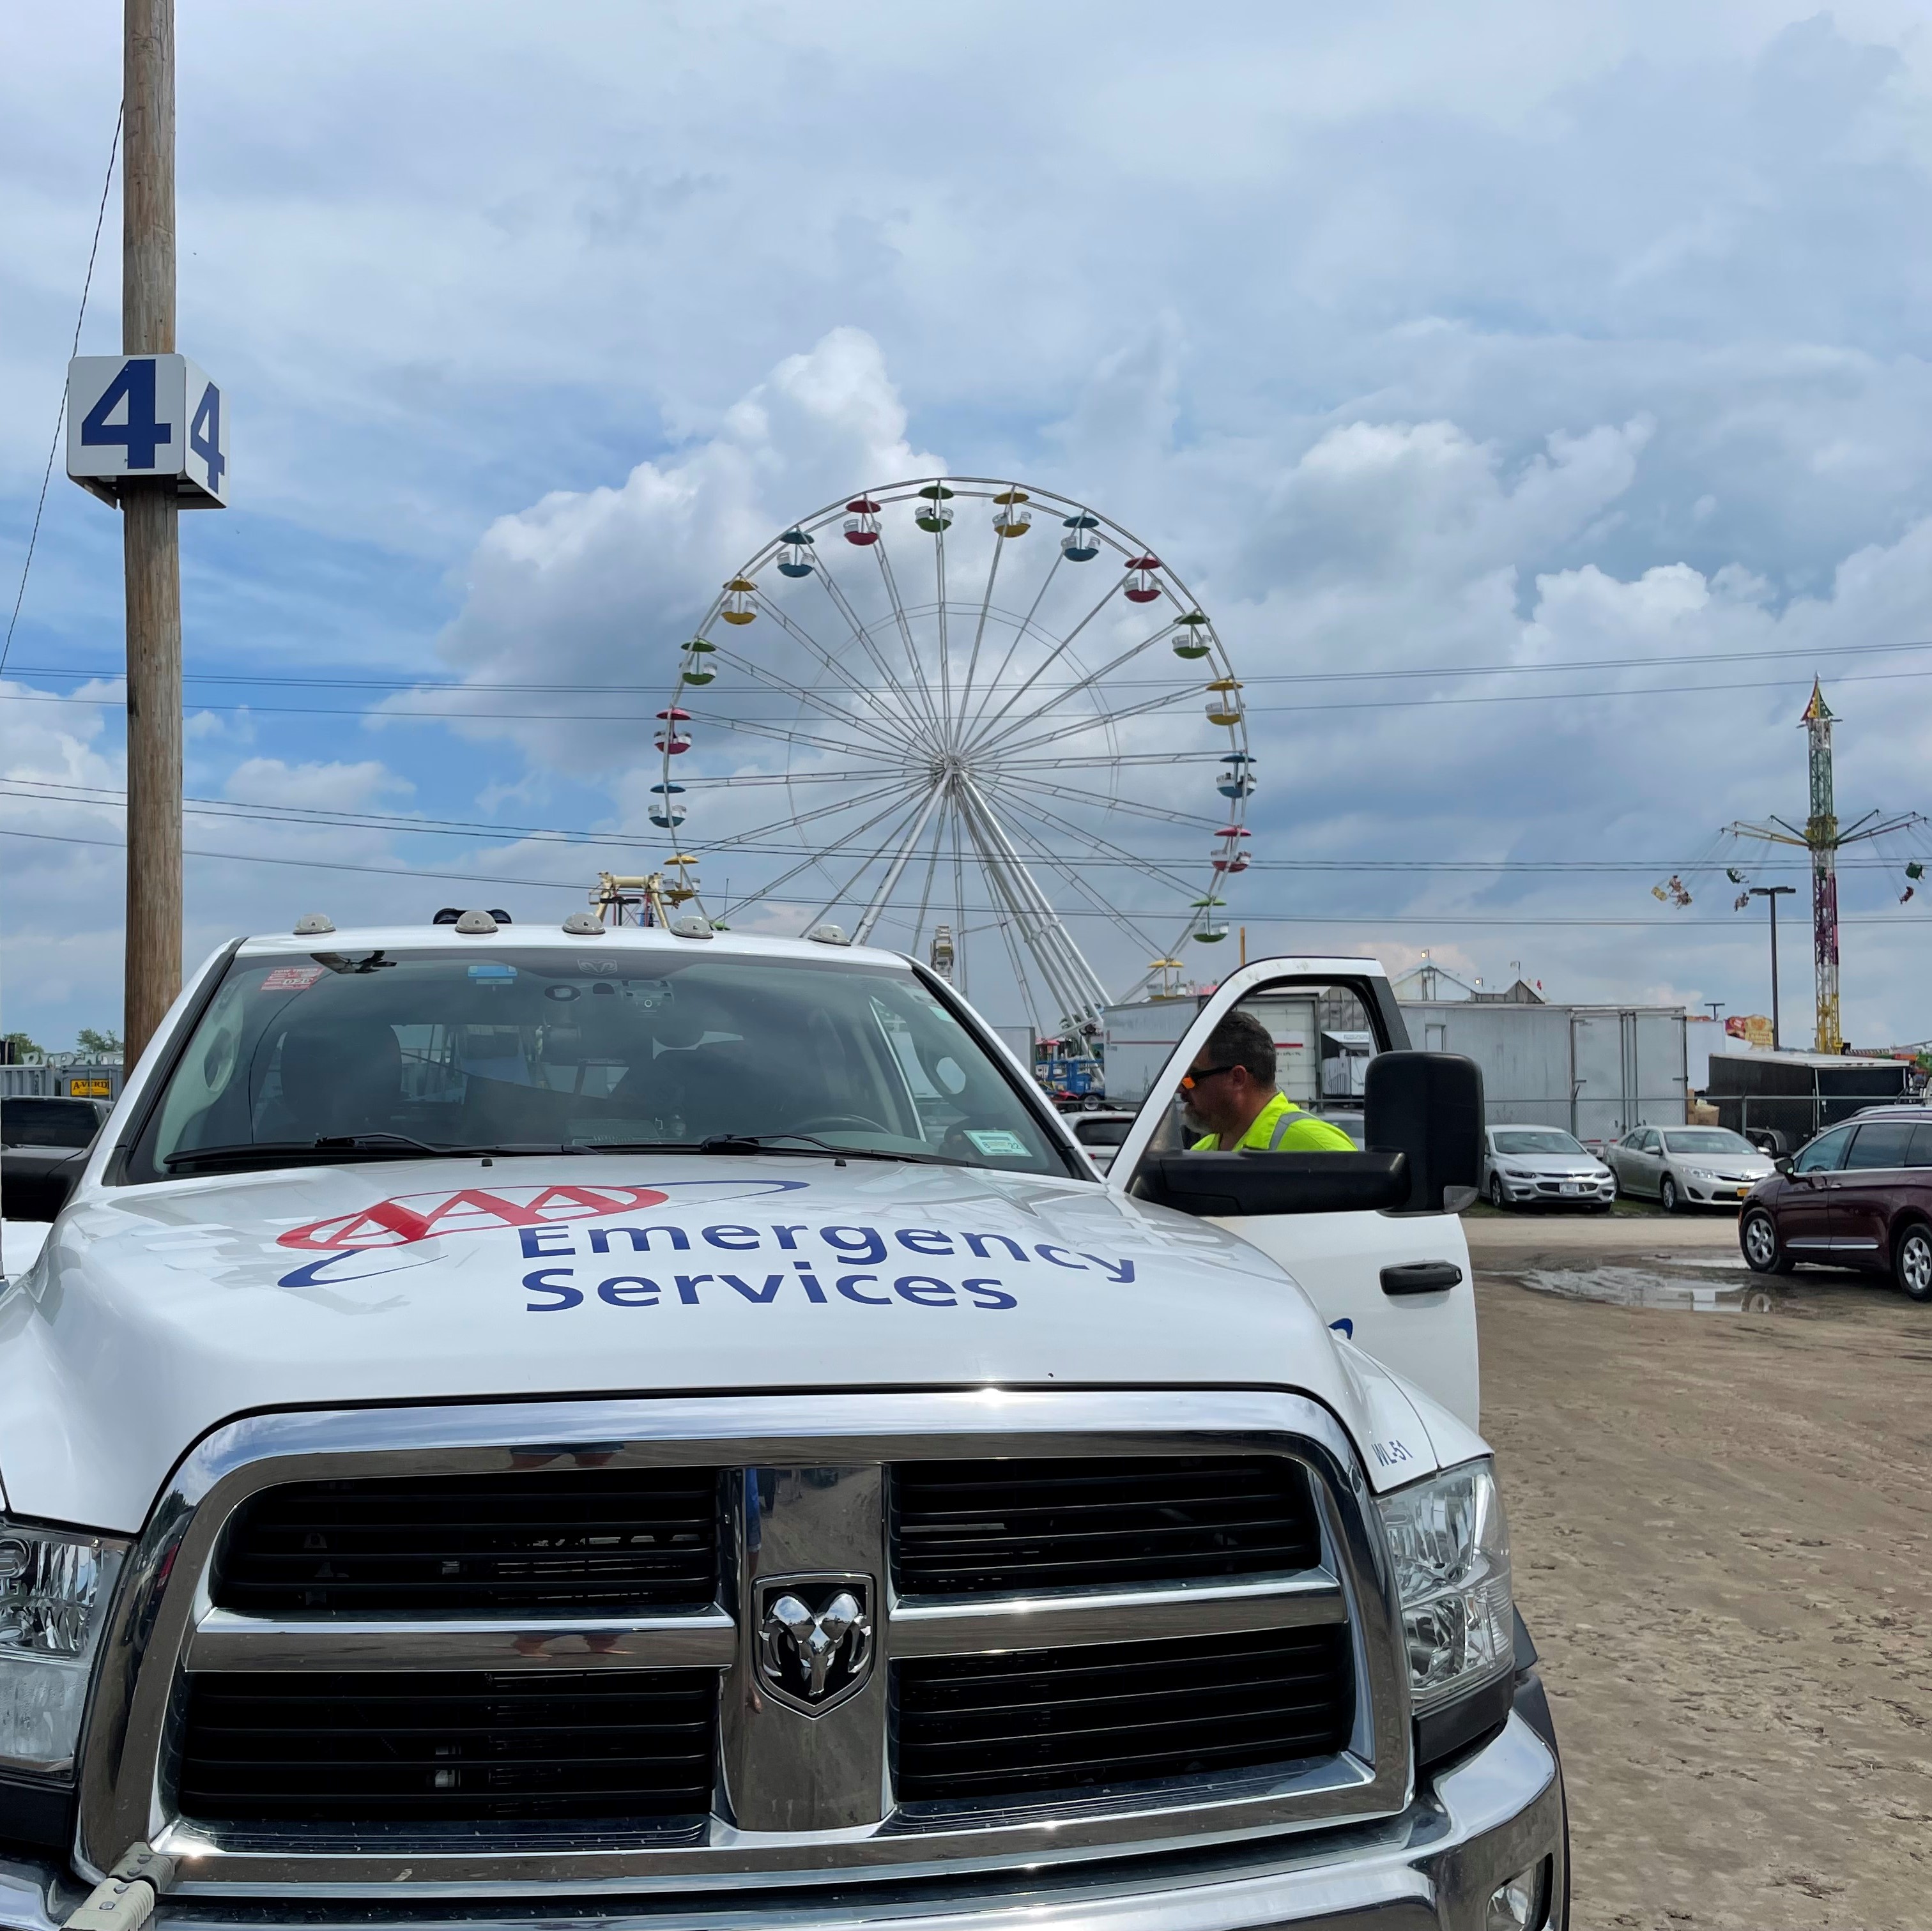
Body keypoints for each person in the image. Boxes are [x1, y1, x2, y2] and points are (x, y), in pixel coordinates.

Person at [1181, 1008, 1356, 1152]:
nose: (1181, 1090)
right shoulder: (1201, 1153)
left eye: (1191, 1079)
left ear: (1237, 1079)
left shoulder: (1321, 1147)